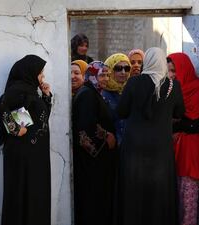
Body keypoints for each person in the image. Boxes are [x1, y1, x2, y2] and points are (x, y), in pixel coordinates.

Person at [116, 47, 185, 225]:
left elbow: (121, 111)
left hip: (134, 147)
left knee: (134, 188)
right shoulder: (173, 85)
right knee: (159, 190)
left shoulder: (133, 83)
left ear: (147, 62)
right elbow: (180, 112)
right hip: (161, 148)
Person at [0, 55, 52, 225]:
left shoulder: (31, 92)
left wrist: (46, 96)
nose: (42, 77)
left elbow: (41, 119)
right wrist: (13, 128)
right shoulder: (19, 89)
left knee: (35, 195)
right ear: (30, 72)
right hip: (23, 155)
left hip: (35, 154)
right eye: (40, 73)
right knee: (21, 194)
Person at [72, 61, 117, 225]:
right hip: (92, 162)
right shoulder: (87, 95)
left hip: (97, 161)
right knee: (93, 201)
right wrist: (107, 136)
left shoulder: (93, 93)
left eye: (107, 74)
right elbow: (85, 127)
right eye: (102, 75)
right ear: (92, 76)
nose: (105, 78)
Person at [168, 52, 199, 225]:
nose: (171, 74)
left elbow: (194, 121)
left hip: (190, 149)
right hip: (177, 147)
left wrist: (176, 124)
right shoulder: (171, 89)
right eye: (168, 70)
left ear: (184, 69)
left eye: (174, 70)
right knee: (176, 196)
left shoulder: (196, 89)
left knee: (188, 197)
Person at [102, 53, 131, 146]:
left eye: (127, 68)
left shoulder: (131, 90)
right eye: (118, 68)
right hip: (110, 145)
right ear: (109, 70)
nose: (123, 72)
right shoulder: (103, 93)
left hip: (128, 145)